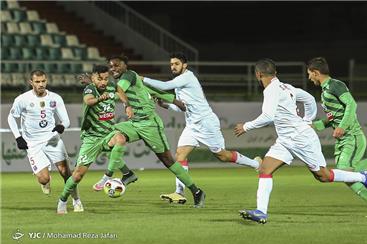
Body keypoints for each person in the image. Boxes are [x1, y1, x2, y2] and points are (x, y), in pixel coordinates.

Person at [234, 59, 367, 224]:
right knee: (265, 169)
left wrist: (246, 126)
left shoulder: (271, 90)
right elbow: (309, 99)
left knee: (323, 176)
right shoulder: (286, 87)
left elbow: (268, 116)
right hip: (286, 140)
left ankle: (362, 177)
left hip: (301, 139)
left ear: (258, 75)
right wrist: (307, 118)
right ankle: (261, 212)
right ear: (275, 73)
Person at [140, 52, 261, 204]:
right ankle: (179, 192)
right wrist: (164, 105)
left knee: (222, 156)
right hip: (192, 125)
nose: (173, 67)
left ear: (185, 65)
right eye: (171, 64)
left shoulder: (188, 77)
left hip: (206, 123)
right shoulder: (180, 82)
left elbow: (165, 86)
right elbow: (183, 108)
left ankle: (256, 164)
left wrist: (143, 79)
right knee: (180, 155)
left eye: (176, 64)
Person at [92, 55, 206, 208]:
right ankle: (127, 174)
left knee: (168, 161)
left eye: (116, 65)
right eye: (111, 67)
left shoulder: (129, 75)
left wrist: (177, 102)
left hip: (150, 125)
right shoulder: (132, 80)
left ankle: (197, 191)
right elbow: (153, 90)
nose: (113, 69)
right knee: (107, 138)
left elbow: (119, 90)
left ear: (125, 65)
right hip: (134, 123)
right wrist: (175, 101)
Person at [307, 57, 367, 218]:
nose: (309, 78)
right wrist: (315, 125)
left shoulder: (335, 85)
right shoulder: (326, 90)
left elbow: (352, 105)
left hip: (352, 137)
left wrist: (342, 127)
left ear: (316, 73)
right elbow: (334, 117)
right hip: (344, 139)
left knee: (344, 172)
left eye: (310, 74)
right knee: (346, 176)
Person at [57, 64, 137, 214]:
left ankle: (108, 176)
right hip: (91, 138)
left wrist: (127, 105)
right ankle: (62, 200)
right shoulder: (89, 89)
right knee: (77, 175)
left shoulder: (111, 86)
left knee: (120, 138)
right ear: (93, 77)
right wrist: (100, 99)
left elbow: (120, 91)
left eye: (106, 79)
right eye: (100, 79)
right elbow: (88, 101)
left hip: (108, 134)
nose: (103, 82)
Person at [8, 69, 83, 212]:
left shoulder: (55, 98)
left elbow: (65, 120)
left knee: (65, 172)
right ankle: (45, 182)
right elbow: (11, 117)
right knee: (43, 178)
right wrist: (18, 137)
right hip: (33, 143)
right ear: (31, 82)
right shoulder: (22, 99)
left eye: (43, 81)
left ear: (46, 81)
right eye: (37, 82)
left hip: (52, 139)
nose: (41, 84)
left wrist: (61, 126)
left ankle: (76, 201)